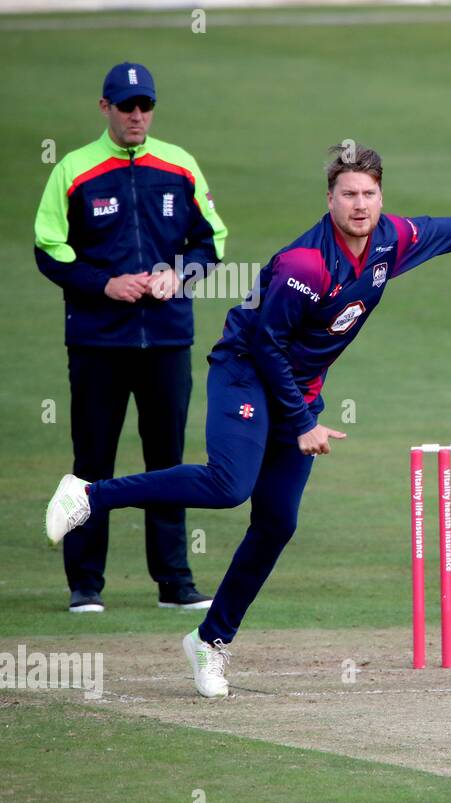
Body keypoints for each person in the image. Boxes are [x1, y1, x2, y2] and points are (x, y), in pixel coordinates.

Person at [45, 143, 451, 697]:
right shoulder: (305, 264)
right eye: (349, 194)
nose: (360, 205)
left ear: (381, 197)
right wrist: (301, 424)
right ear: (330, 199)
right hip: (246, 372)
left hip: (298, 393)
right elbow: (268, 346)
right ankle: (87, 496)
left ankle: (210, 641)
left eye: (369, 194)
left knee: (276, 522)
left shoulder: (391, 238)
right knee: (228, 485)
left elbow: (441, 231)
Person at [35, 62, 227, 614]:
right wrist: (104, 284)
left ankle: (173, 581)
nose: (137, 115)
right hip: (98, 342)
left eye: (145, 106)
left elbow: (210, 240)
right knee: (93, 459)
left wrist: (179, 274)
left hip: (167, 340)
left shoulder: (180, 165)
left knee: (167, 459)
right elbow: (49, 247)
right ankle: (85, 585)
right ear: (105, 109)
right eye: (126, 106)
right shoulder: (74, 169)